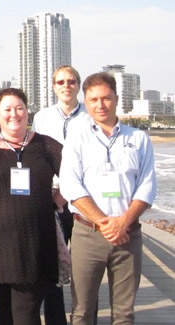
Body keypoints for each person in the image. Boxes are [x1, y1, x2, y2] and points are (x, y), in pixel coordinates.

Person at [60, 72, 157, 324]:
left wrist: (123, 222)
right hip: (87, 234)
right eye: (93, 100)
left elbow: (146, 187)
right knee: (81, 311)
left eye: (105, 98)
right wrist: (105, 222)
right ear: (86, 101)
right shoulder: (76, 138)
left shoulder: (138, 139)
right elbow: (71, 186)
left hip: (128, 235)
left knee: (124, 313)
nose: (100, 105)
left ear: (116, 98)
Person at [0, 88, 62, 324]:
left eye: (19, 108)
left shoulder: (46, 146)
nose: (14, 114)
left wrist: (55, 201)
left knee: (25, 314)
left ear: (27, 112)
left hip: (36, 244)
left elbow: (75, 177)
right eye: (7, 109)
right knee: (2, 313)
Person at [31, 65, 91, 325]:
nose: (66, 86)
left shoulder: (91, 118)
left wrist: (67, 195)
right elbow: (37, 157)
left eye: (71, 81)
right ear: (53, 87)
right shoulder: (42, 118)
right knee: (52, 267)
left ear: (78, 85)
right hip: (50, 201)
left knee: (85, 271)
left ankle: (84, 318)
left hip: (83, 204)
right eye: (60, 82)